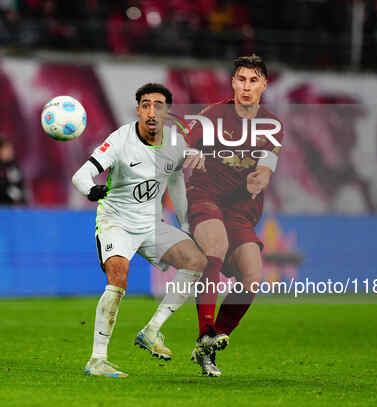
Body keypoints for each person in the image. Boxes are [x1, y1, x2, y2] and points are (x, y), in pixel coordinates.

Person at [72, 83, 207, 378]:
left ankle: (152, 331)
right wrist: (90, 189)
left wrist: (185, 225)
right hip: (116, 221)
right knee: (118, 278)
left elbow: (176, 183)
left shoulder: (175, 142)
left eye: (158, 105)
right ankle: (97, 359)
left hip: (151, 224)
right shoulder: (120, 139)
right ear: (138, 110)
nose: (151, 111)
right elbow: (81, 174)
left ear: (167, 112)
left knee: (196, 262)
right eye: (145, 105)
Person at [185, 55, 284, 376]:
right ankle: (205, 331)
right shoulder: (212, 115)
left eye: (253, 80)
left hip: (241, 210)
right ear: (232, 83)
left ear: (264, 85)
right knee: (214, 247)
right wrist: (191, 152)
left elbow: (268, 166)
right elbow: (182, 145)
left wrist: (261, 176)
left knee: (252, 277)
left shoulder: (272, 126)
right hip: (206, 197)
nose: (246, 86)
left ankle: (210, 348)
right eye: (241, 79)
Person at [0, 139, 27, 206]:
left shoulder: (14, 167)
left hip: (15, 208)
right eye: (6, 149)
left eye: (10, 149)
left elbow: (20, 185)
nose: (10, 152)